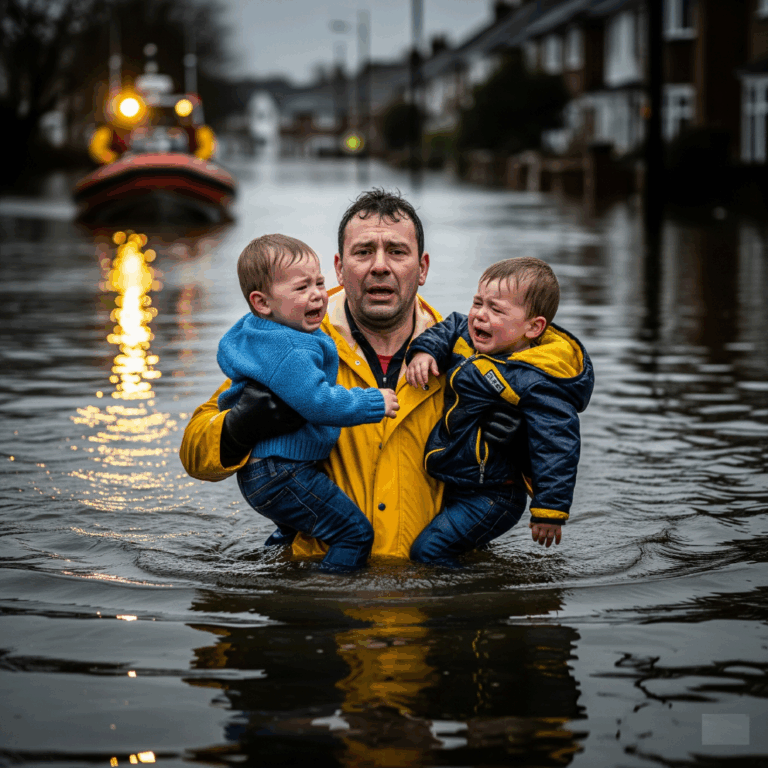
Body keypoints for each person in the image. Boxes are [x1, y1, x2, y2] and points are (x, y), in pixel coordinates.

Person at [179, 188, 520, 561]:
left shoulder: (469, 358)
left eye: (397, 251)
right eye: (363, 252)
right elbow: (195, 455)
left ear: (421, 268)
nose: (379, 266)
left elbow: (552, 438)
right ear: (340, 268)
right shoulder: (289, 346)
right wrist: (237, 428)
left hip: (432, 585)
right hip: (322, 589)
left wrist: (523, 445)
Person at [216, 234, 399, 572]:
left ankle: (275, 572)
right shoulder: (288, 349)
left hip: (264, 472)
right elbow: (318, 402)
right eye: (301, 288)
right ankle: (328, 595)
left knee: (293, 531)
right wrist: (373, 402)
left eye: (319, 283)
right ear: (262, 303)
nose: (317, 294)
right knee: (354, 534)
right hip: (282, 470)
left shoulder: (260, 333)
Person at [405, 257, 594, 567]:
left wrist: (549, 511)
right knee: (466, 553)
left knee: (429, 551)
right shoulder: (468, 336)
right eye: (478, 302)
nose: (480, 315)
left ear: (534, 327)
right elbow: (449, 325)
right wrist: (424, 351)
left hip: (494, 495)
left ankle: (463, 607)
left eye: (496, 309)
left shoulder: (537, 380)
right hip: (458, 479)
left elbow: (558, 444)